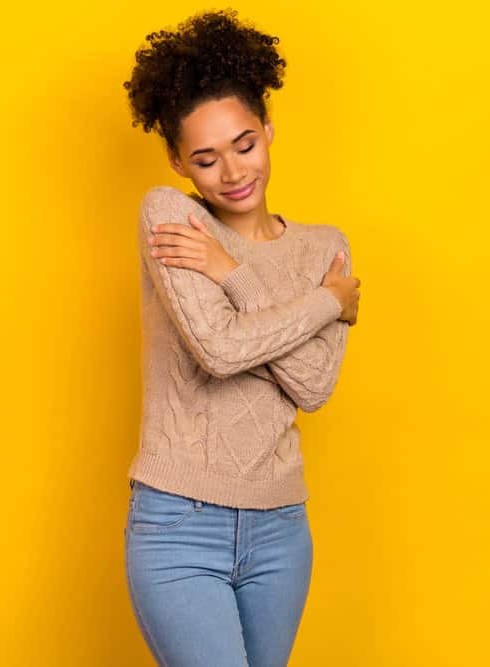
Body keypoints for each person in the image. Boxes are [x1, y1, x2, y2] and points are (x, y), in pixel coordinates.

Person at [120, 9, 362, 666]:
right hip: (179, 525)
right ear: (177, 160)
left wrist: (233, 277)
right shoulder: (172, 218)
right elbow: (221, 351)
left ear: (269, 130)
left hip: (281, 528)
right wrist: (325, 305)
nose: (231, 172)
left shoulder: (323, 247)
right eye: (205, 157)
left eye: (244, 144)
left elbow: (313, 386)